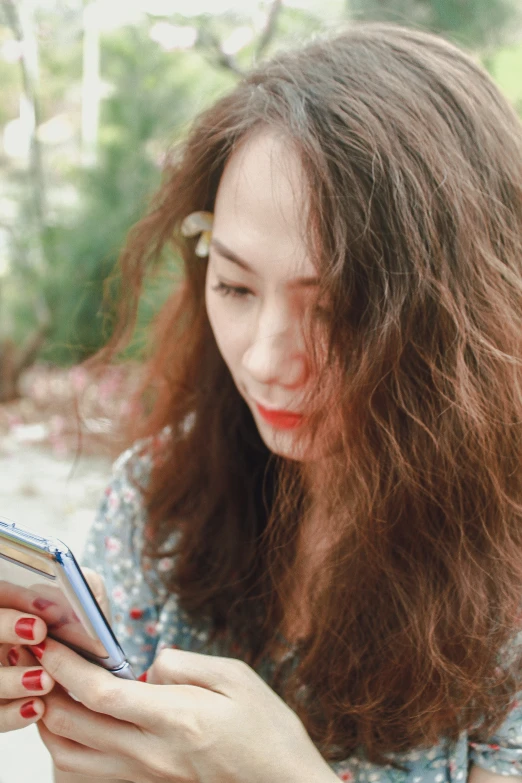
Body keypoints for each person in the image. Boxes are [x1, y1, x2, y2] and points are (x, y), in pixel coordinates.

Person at [1, 21, 522, 783]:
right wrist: (76, 724)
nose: (266, 358)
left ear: (461, 317)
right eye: (237, 286)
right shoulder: (160, 499)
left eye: (336, 307)